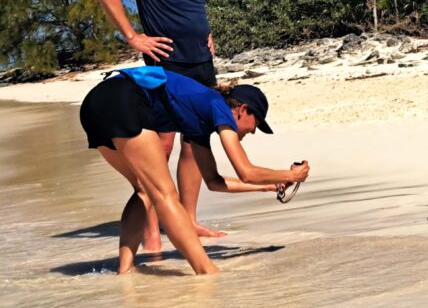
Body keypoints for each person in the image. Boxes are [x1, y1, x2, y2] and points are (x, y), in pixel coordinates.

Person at [79, 68, 310, 275]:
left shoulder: (198, 121)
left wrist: (270, 186)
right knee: (165, 194)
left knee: (144, 189)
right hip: (123, 99)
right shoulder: (218, 106)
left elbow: (213, 181)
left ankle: (125, 270)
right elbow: (246, 171)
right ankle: (206, 271)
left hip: (94, 105)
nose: (253, 132)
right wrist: (292, 175)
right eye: (256, 124)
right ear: (242, 109)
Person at [93, 0, 223, 251]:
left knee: (196, 141)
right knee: (161, 145)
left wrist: (205, 31)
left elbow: (191, 1)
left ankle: (188, 220)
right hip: (167, 61)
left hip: (200, 58)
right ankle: (152, 232)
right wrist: (134, 37)